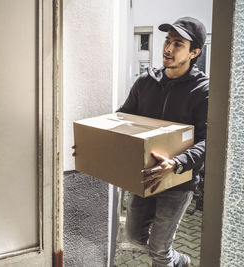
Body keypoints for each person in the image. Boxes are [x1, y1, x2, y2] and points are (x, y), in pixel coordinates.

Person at [73, 17, 208, 267]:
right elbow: (121, 119)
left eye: (177, 43)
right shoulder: (146, 82)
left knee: (158, 250)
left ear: (194, 52)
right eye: (167, 40)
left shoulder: (203, 91)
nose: (167, 48)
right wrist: (94, 145)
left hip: (178, 180)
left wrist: (177, 163)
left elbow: (206, 141)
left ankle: (167, 256)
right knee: (134, 237)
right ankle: (179, 260)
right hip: (142, 176)